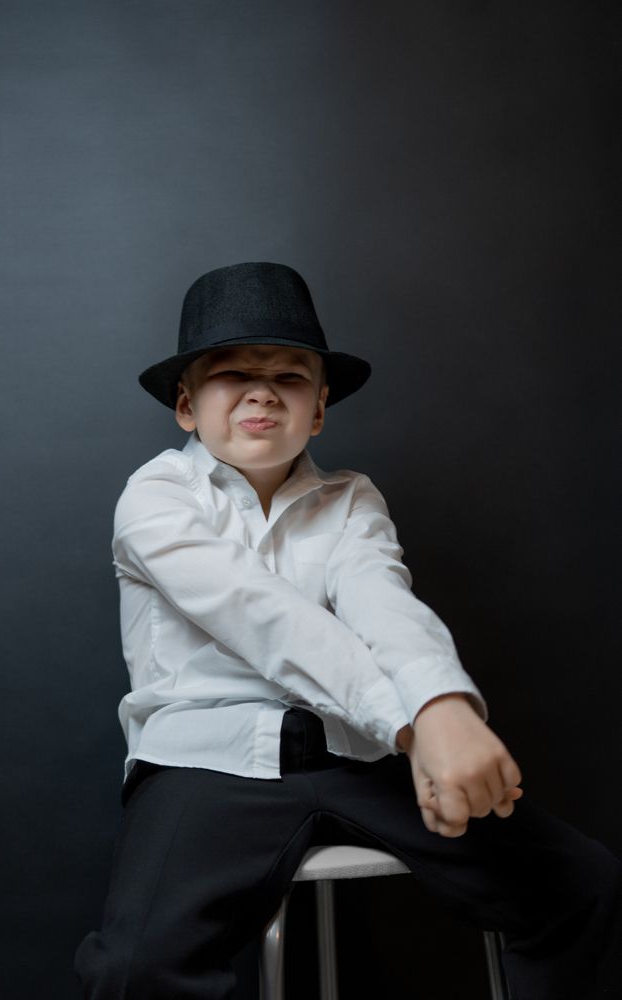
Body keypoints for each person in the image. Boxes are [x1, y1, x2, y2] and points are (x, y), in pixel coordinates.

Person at [75, 261, 620, 999]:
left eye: (290, 376)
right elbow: (263, 616)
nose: (263, 391)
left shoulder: (352, 498)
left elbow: (383, 604)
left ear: (320, 411)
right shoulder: (154, 496)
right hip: (207, 761)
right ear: (186, 406)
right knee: (137, 969)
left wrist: (443, 706)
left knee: (578, 883)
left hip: (352, 753)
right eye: (233, 373)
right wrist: (418, 727)